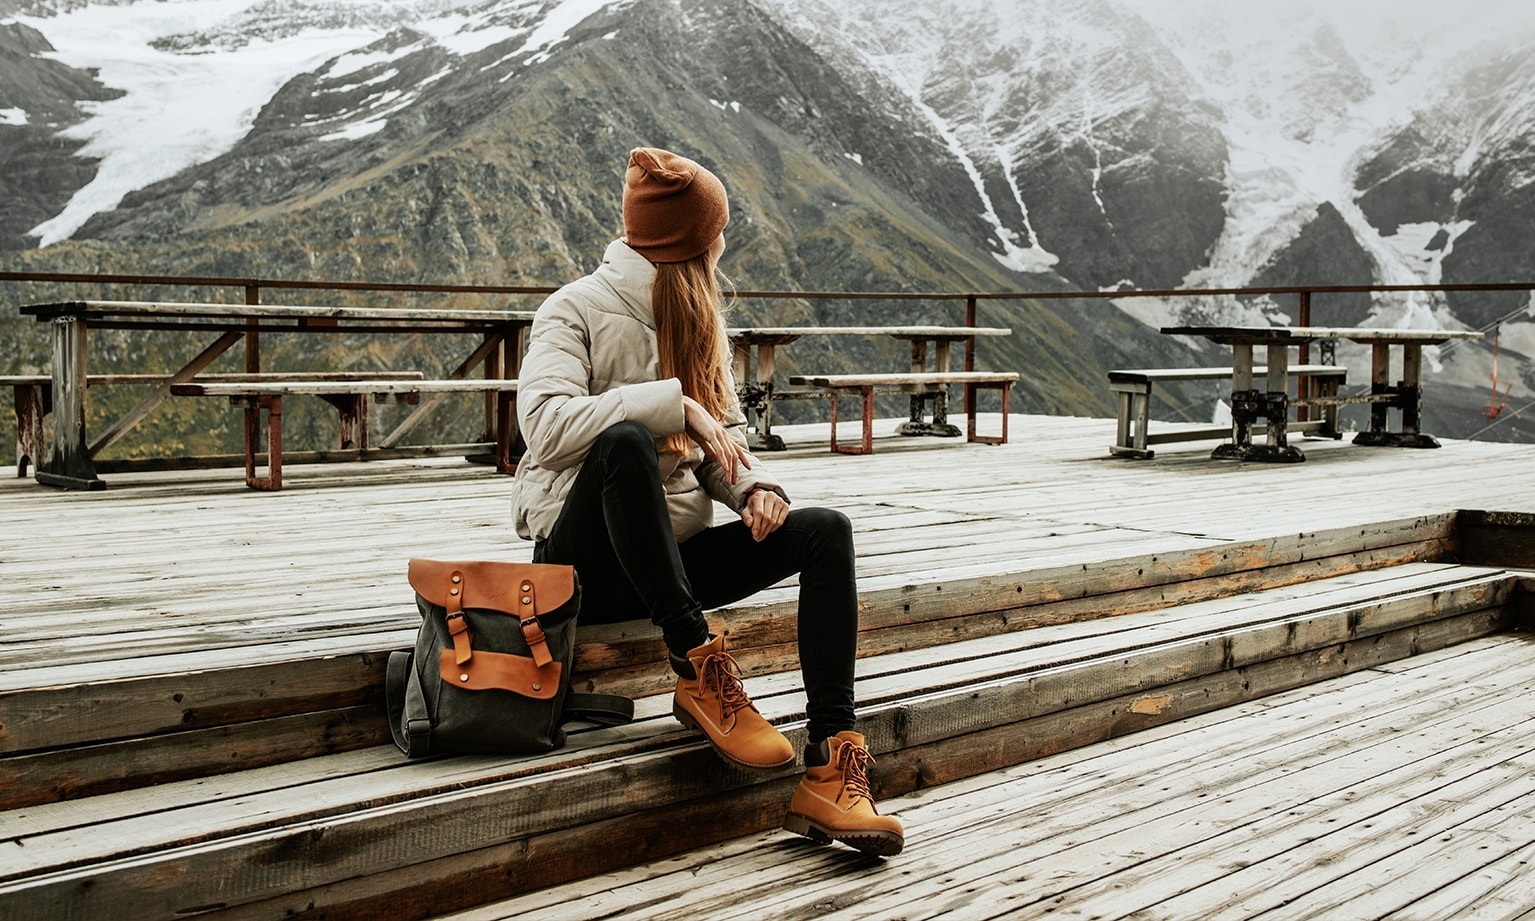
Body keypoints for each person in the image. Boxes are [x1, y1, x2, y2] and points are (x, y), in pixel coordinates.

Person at [510, 146, 904, 857]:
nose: (724, 241)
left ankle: (830, 761)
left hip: (670, 561)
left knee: (826, 531)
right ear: (690, 240)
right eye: (716, 230)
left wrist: (753, 487)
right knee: (625, 441)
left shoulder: (694, 318)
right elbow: (540, 426)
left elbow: (719, 444)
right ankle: (699, 666)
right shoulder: (573, 309)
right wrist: (671, 405)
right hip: (583, 571)